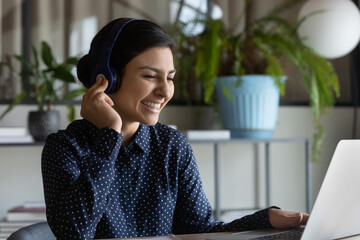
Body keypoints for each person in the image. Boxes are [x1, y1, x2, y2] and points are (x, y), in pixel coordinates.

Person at [41, 17, 309, 240]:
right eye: (150, 76)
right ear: (108, 79)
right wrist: (109, 134)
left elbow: (200, 232)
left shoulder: (170, 145)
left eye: (170, 78)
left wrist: (264, 219)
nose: (164, 91)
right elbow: (73, 234)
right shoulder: (65, 147)